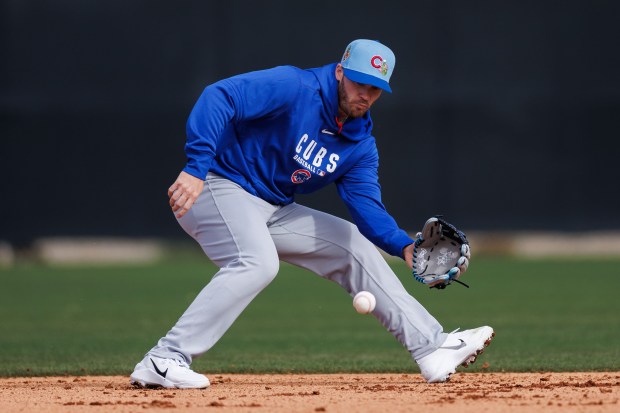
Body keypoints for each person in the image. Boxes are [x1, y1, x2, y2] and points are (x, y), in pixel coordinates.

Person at [130, 39, 494, 389]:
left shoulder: (360, 145)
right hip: (216, 184)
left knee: (351, 243)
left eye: (376, 88)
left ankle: (430, 347)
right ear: (339, 72)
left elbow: (367, 207)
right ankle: (164, 359)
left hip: (272, 207)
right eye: (359, 82)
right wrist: (196, 166)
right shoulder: (294, 87)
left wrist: (404, 247)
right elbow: (220, 96)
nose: (365, 94)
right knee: (257, 262)